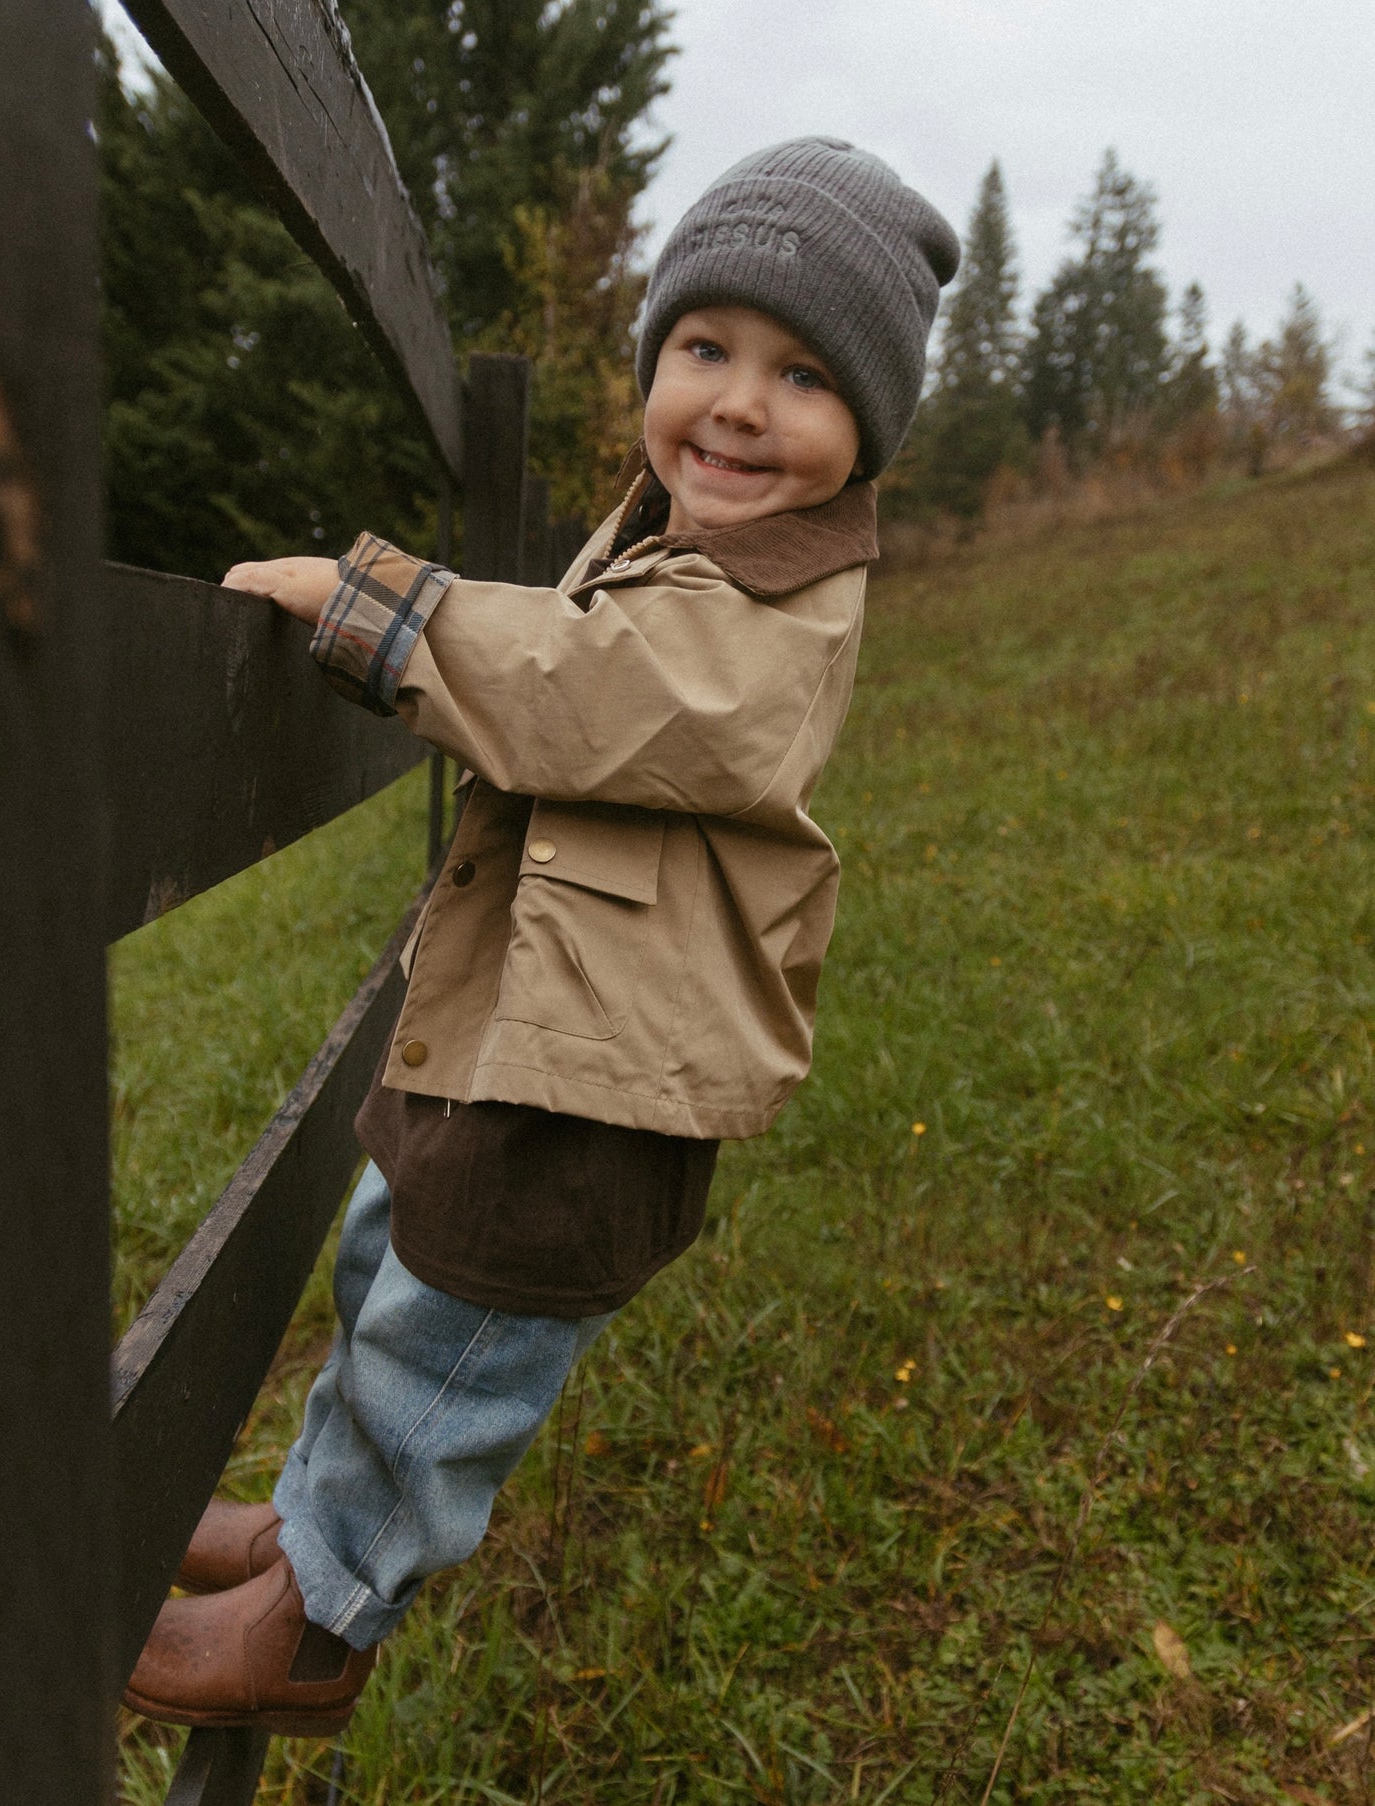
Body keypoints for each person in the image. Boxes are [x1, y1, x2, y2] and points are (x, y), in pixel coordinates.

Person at [123, 137, 959, 1737]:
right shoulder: (678, 536)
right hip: (543, 1038)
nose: (733, 400)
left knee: (451, 1346)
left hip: (601, 1088)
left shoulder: (775, 613)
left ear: (867, 439)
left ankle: (322, 1617)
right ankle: (305, 1523)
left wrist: (382, 611)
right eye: (704, 348)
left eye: (798, 376)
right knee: (398, 1263)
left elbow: (585, 691)